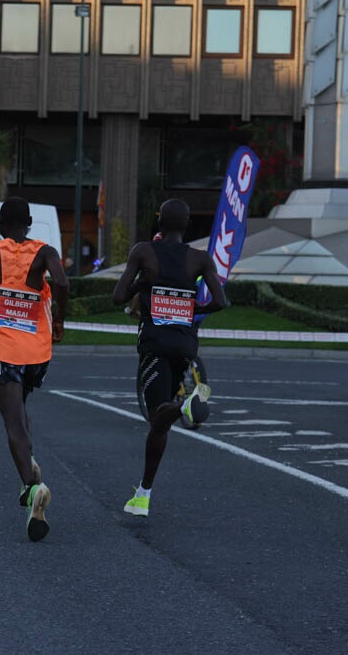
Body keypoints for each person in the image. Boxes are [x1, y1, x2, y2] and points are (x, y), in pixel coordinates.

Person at [0, 197, 69, 542]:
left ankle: (31, 487)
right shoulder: (45, 251)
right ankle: (30, 463)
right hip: (37, 354)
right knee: (20, 410)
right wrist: (60, 321)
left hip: (4, 351)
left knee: (12, 422)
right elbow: (63, 283)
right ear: (30, 222)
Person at [113, 198, 229, 517]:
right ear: (187, 224)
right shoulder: (200, 258)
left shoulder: (143, 252)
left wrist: (144, 284)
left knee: (157, 418)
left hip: (154, 343)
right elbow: (221, 301)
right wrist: (191, 310)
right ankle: (143, 494)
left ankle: (183, 406)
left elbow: (118, 297)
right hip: (184, 345)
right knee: (160, 424)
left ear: (159, 222)